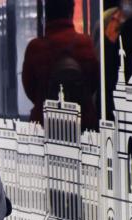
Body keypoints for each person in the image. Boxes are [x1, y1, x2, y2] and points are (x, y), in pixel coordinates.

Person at [22, 0, 99, 131]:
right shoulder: (85, 44)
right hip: (82, 125)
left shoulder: (35, 48)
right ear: (71, 13)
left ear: (47, 14)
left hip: (44, 126)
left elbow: (30, 90)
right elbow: (94, 82)